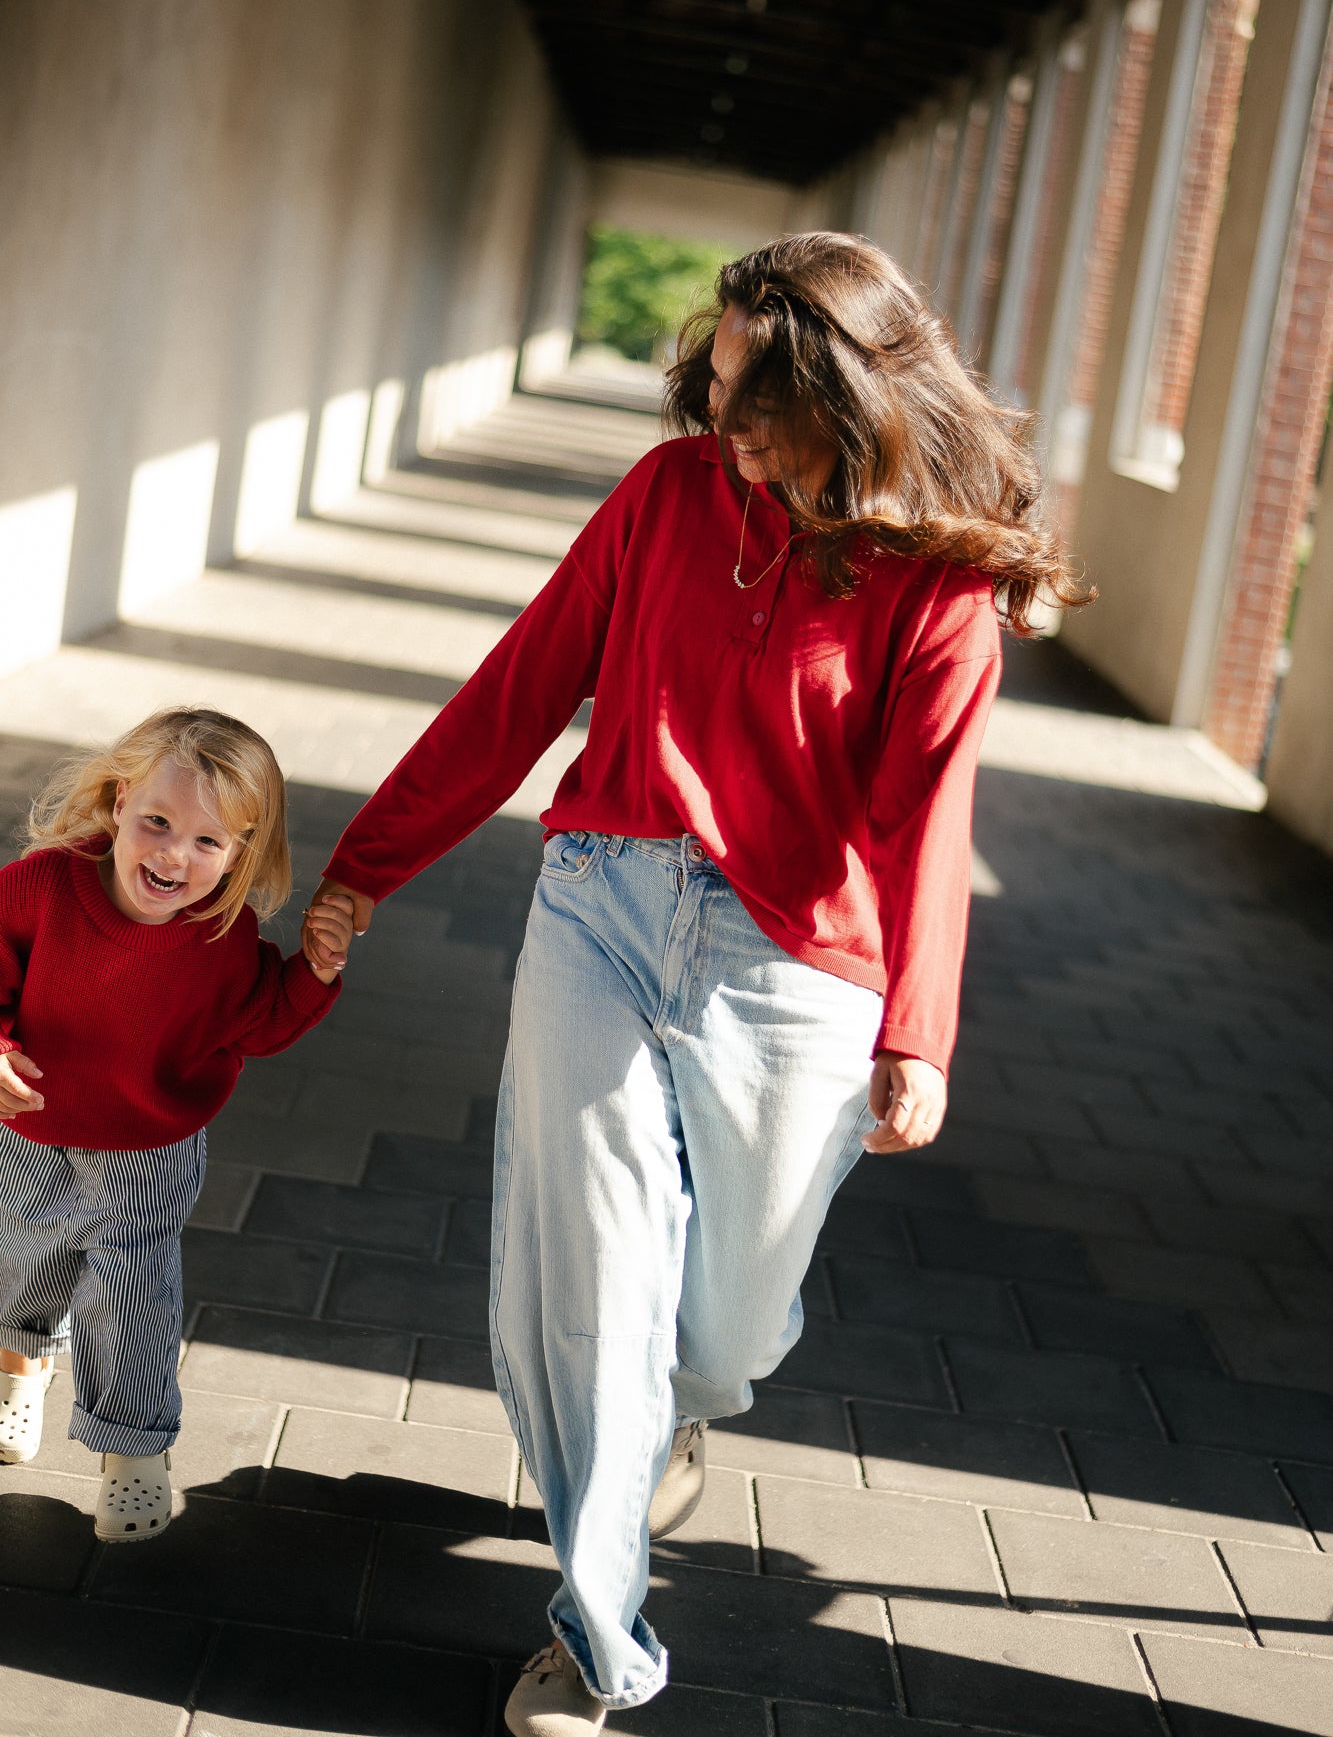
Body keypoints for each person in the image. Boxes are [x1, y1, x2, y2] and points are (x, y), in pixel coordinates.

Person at [305, 233, 1089, 1734]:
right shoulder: (668, 499)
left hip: (796, 967)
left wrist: (916, 1033)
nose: (721, 419)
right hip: (600, 903)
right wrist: (366, 864)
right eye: (715, 378)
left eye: (758, 391)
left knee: (723, 1332)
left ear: (848, 394)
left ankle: (677, 1414)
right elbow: (520, 686)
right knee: (589, 1284)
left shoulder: (935, 585)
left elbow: (932, 816)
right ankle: (596, 1642)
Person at [0, 706, 353, 1541]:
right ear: (120, 803)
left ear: (241, 852)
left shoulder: (220, 939)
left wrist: (316, 971)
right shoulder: (43, 887)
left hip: (149, 1152)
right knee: (23, 1258)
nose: (172, 856)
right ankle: (19, 1371)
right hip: (31, 1129)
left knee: (131, 1294)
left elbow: (261, 1022)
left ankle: (133, 1450)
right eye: (157, 822)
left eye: (207, 842)